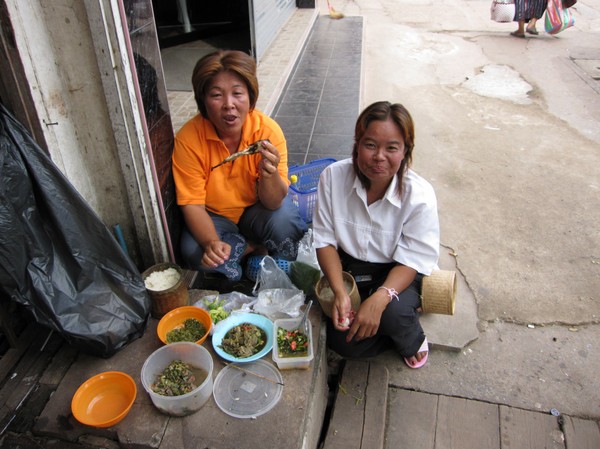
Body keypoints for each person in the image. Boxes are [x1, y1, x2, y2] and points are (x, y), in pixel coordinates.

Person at [312, 101, 440, 368]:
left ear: (405, 151)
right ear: (357, 144)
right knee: (342, 341)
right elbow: (325, 242)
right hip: (351, 267)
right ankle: (393, 326)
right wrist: (339, 291)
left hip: (399, 270)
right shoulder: (332, 178)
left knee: (392, 313)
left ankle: (407, 331)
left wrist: (379, 300)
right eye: (370, 145)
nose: (379, 156)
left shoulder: (420, 195)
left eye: (391, 147)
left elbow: (412, 260)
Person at [172, 50, 307, 281]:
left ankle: (243, 250)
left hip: (257, 211)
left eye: (237, 93)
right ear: (203, 100)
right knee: (193, 252)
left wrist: (269, 174)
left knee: (286, 221)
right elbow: (192, 204)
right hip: (215, 216)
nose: (229, 105)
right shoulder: (188, 139)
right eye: (216, 95)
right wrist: (211, 243)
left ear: (250, 97)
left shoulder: (268, 132)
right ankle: (253, 248)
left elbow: (273, 202)